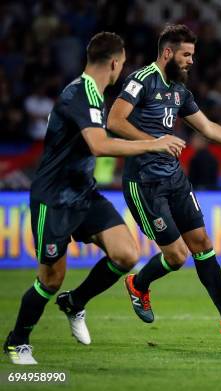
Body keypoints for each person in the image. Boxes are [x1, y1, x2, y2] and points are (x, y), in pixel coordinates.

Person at [3, 32, 186, 365]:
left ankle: (75, 302)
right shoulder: (80, 94)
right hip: (53, 199)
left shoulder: (93, 95)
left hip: (83, 193)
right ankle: (18, 341)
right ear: (115, 62)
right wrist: (153, 143)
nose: (122, 69)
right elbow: (99, 145)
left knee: (126, 254)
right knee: (51, 279)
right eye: (123, 63)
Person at [107, 24, 221, 338]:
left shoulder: (179, 90)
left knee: (202, 243)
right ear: (168, 52)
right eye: (186, 54)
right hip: (144, 183)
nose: (191, 61)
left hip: (174, 179)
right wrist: (153, 142)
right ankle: (137, 283)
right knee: (176, 256)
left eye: (193, 55)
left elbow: (209, 129)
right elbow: (114, 121)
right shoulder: (141, 80)